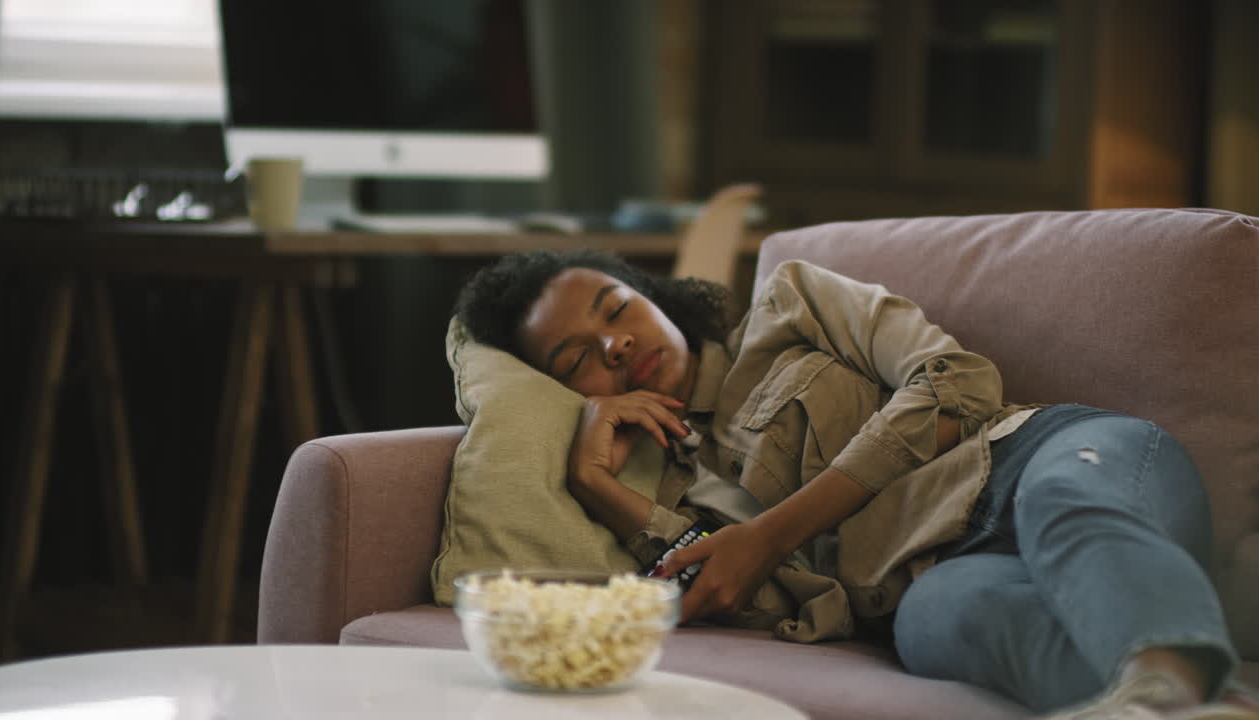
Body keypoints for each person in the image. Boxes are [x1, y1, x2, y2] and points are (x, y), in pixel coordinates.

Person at [452, 248, 1256, 719]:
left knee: (1061, 500)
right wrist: (604, 489)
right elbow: (728, 594)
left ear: (654, 298)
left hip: (1044, 456)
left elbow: (955, 381)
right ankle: (1175, 685)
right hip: (941, 572)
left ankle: (1179, 691)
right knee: (936, 624)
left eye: (616, 309)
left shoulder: (789, 304)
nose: (615, 346)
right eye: (578, 360)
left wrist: (771, 532)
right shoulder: (683, 497)